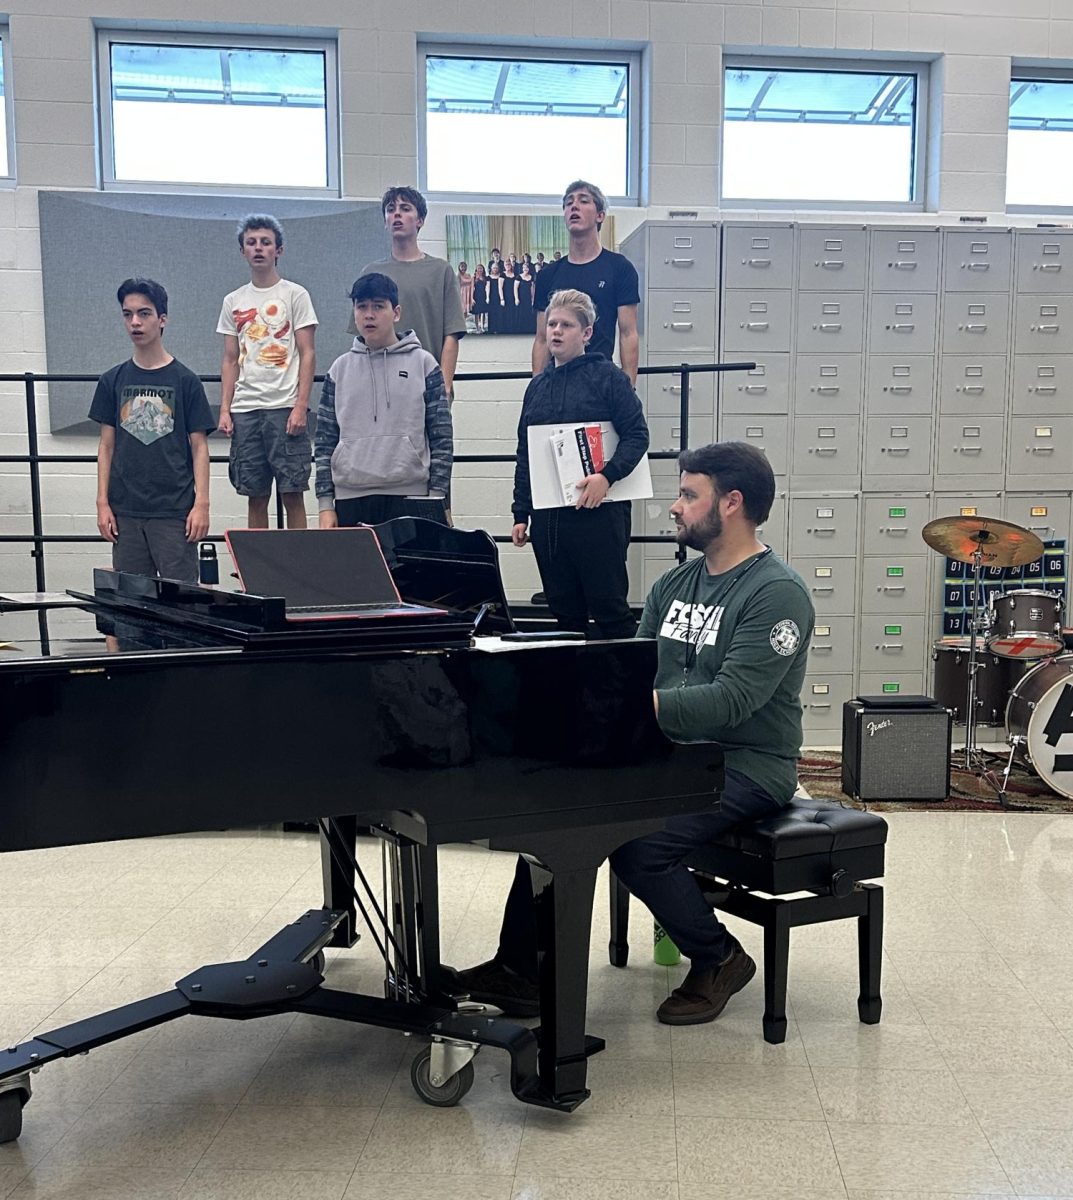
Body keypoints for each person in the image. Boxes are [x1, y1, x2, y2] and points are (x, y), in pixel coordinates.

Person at [455, 442, 814, 1026]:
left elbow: (733, 702)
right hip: (668, 753)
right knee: (550, 811)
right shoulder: (675, 586)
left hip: (746, 765)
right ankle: (522, 971)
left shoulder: (776, 593)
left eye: (688, 495)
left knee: (639, 846)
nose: (675, 507)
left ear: (732, 503)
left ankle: (718, 956)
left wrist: (629, 709)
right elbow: (634, 671)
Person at [511, 287, 648, 639]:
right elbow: (525, 453)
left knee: (610, 611)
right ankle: (571, 694)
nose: (555, 331)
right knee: (564, 615)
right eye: (552, 324)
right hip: (550, 520)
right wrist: (520, 512)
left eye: (566, 325)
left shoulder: (609, 379)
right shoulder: (537, 387)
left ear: (586, 333)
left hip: (599, 516)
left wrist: (607, 477)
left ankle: (621, 694)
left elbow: (637, 435)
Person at [91, 278, 214, 584]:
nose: (135, 322)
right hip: (126, 512)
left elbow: (199, 447)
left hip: (174, 512)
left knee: (182, 607)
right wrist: (102, 503)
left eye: (144, 313)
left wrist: (202, 505)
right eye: (127, 313)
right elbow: (106, 446)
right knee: (133, 608)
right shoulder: (112, 380)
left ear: (162, 319)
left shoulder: (186, 381)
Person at [315, 272, 452, 528]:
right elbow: (324, 440)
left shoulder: (424, 364)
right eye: (362, 307)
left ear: (396, 312)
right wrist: (325, 505)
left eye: (378, 306)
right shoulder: (338, 370)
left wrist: (437, 499)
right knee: (356, 570)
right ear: (354, 312)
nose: (369, 314)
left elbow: (441, 438)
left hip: (412, 497)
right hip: (350, 498)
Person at [217, 214, 318, 529]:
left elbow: (308, 352)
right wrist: (225, 409)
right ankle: (258, 569)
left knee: (292, 492)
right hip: (246, 409)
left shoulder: (295, 294)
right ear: (242, 251)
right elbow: (230, 359)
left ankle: (300, 569)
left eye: (265, 242)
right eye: (251, 243)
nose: (258, 248)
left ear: (279, 250)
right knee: (255, 494)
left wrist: (301, 406)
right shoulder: (233, 301)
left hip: (284, 406)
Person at [358, 187, 466, 401]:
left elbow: (451, 335)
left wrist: (443, 386)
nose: (397, 214)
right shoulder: (371, 273)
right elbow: (362, 338)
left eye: (405, 208)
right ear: (385, 221)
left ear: (420, 220)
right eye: (391, 209)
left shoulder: (441, 271)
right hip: (380, 389)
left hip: (427, 385)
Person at [532, 181, 640, 384]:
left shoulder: (620, 268)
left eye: (583, 201)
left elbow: (628, 334)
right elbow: (541, 339)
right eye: (568, 203)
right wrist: (536, 391)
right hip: (557, 383)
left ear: (600, 215)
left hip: (600, 381)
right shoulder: (548, 275)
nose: (574, 206)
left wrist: (628, 389)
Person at [471, 264, 489, 333]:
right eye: (478, 268)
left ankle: (482, 326)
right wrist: (472, 298)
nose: (480, 270)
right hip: (476, 296)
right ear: (476, 269)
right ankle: (477, 327)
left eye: (481, 268)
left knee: (483, 312)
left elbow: (487, 287)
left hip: (483, 296)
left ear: (483, 269)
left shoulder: (485, 277)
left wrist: (487, 297)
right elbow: (472, 288)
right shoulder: (474, 278)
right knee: (476, 312)